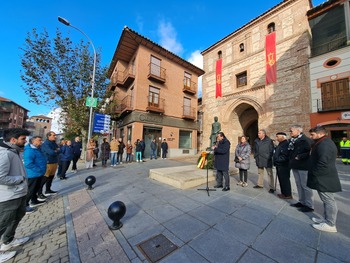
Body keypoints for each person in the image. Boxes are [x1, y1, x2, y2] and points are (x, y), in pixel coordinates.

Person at [0, 128, 31, 262]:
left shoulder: (14, 151)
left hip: (18, 193)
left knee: (17, 217)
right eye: (23, 139)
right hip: (9, 196)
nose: (25, 141)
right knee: (2, 223)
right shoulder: (5, 154)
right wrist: (19, 179)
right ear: (13, 140)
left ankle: (8, 241)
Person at [308, 126, 342, 233]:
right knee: (326, 199)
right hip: (323, 176)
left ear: (319, 134)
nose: (311, 137)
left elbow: (323, 162)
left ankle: (330, 224)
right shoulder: (322, 142)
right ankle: (326, 219)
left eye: (312, 135)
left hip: (324, 177)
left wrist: (315, 173)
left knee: (329, 200)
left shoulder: (325, 144)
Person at [288, 125, 314, 212]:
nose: (290, 132)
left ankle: (309, 205)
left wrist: (299, 156)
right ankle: (302, 201)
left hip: (303, 165)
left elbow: (310, 152)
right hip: (295, 165)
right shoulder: (292, 140)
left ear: (298, 131)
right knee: (298, 184)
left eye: (291, 131)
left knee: (305, 185)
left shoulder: (306, 140)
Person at [23, 136, 47, 211]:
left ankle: (34, 201)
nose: (41, 141)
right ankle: (24, 206)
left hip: (39, 173)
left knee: (35, 188)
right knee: (31, 190)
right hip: (33, 174)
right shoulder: (29, 150)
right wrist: (38, 170)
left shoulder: (37, 149)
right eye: (39, 140)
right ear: (33, 141)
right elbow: (28, 164)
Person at [40, 131, 60, 197]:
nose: (55, 136)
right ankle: (39, 193)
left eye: (55, 135)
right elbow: (52, 153)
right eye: (53, 135)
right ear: (49, 136)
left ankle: (48, 190)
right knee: (44, 178)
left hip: (54, 162)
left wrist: (56, 151)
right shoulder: (46, 144)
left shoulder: (54, 143)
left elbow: (59, 150)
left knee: (51, 178)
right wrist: (56, 151)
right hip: (48, 163)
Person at [273, 132, 292, 199]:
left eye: (278, 136)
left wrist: (277, 160)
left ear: (282, 137)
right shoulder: (281, 144)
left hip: (283, 165)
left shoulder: (286, 144)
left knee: (285, 180)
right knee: (281, 180)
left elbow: (285, 155)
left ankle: (287, 194)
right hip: (280, 165)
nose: (277, 138)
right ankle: (283, 193)